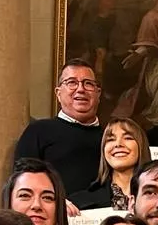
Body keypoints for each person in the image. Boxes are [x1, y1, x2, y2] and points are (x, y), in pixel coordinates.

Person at [15, 59, 104, 193]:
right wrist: (56, 201)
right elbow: (22, 184)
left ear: (98, 93)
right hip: (56, 210)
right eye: (72, 83)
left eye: (88, 84)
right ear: (58, 93)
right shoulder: (38, 132)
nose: (81, 89)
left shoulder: (112, 137)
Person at [80, 117, 152, 212]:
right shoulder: (80, 202)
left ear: (141, 146)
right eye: (110, 140)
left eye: (127, 138)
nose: (118, 144)